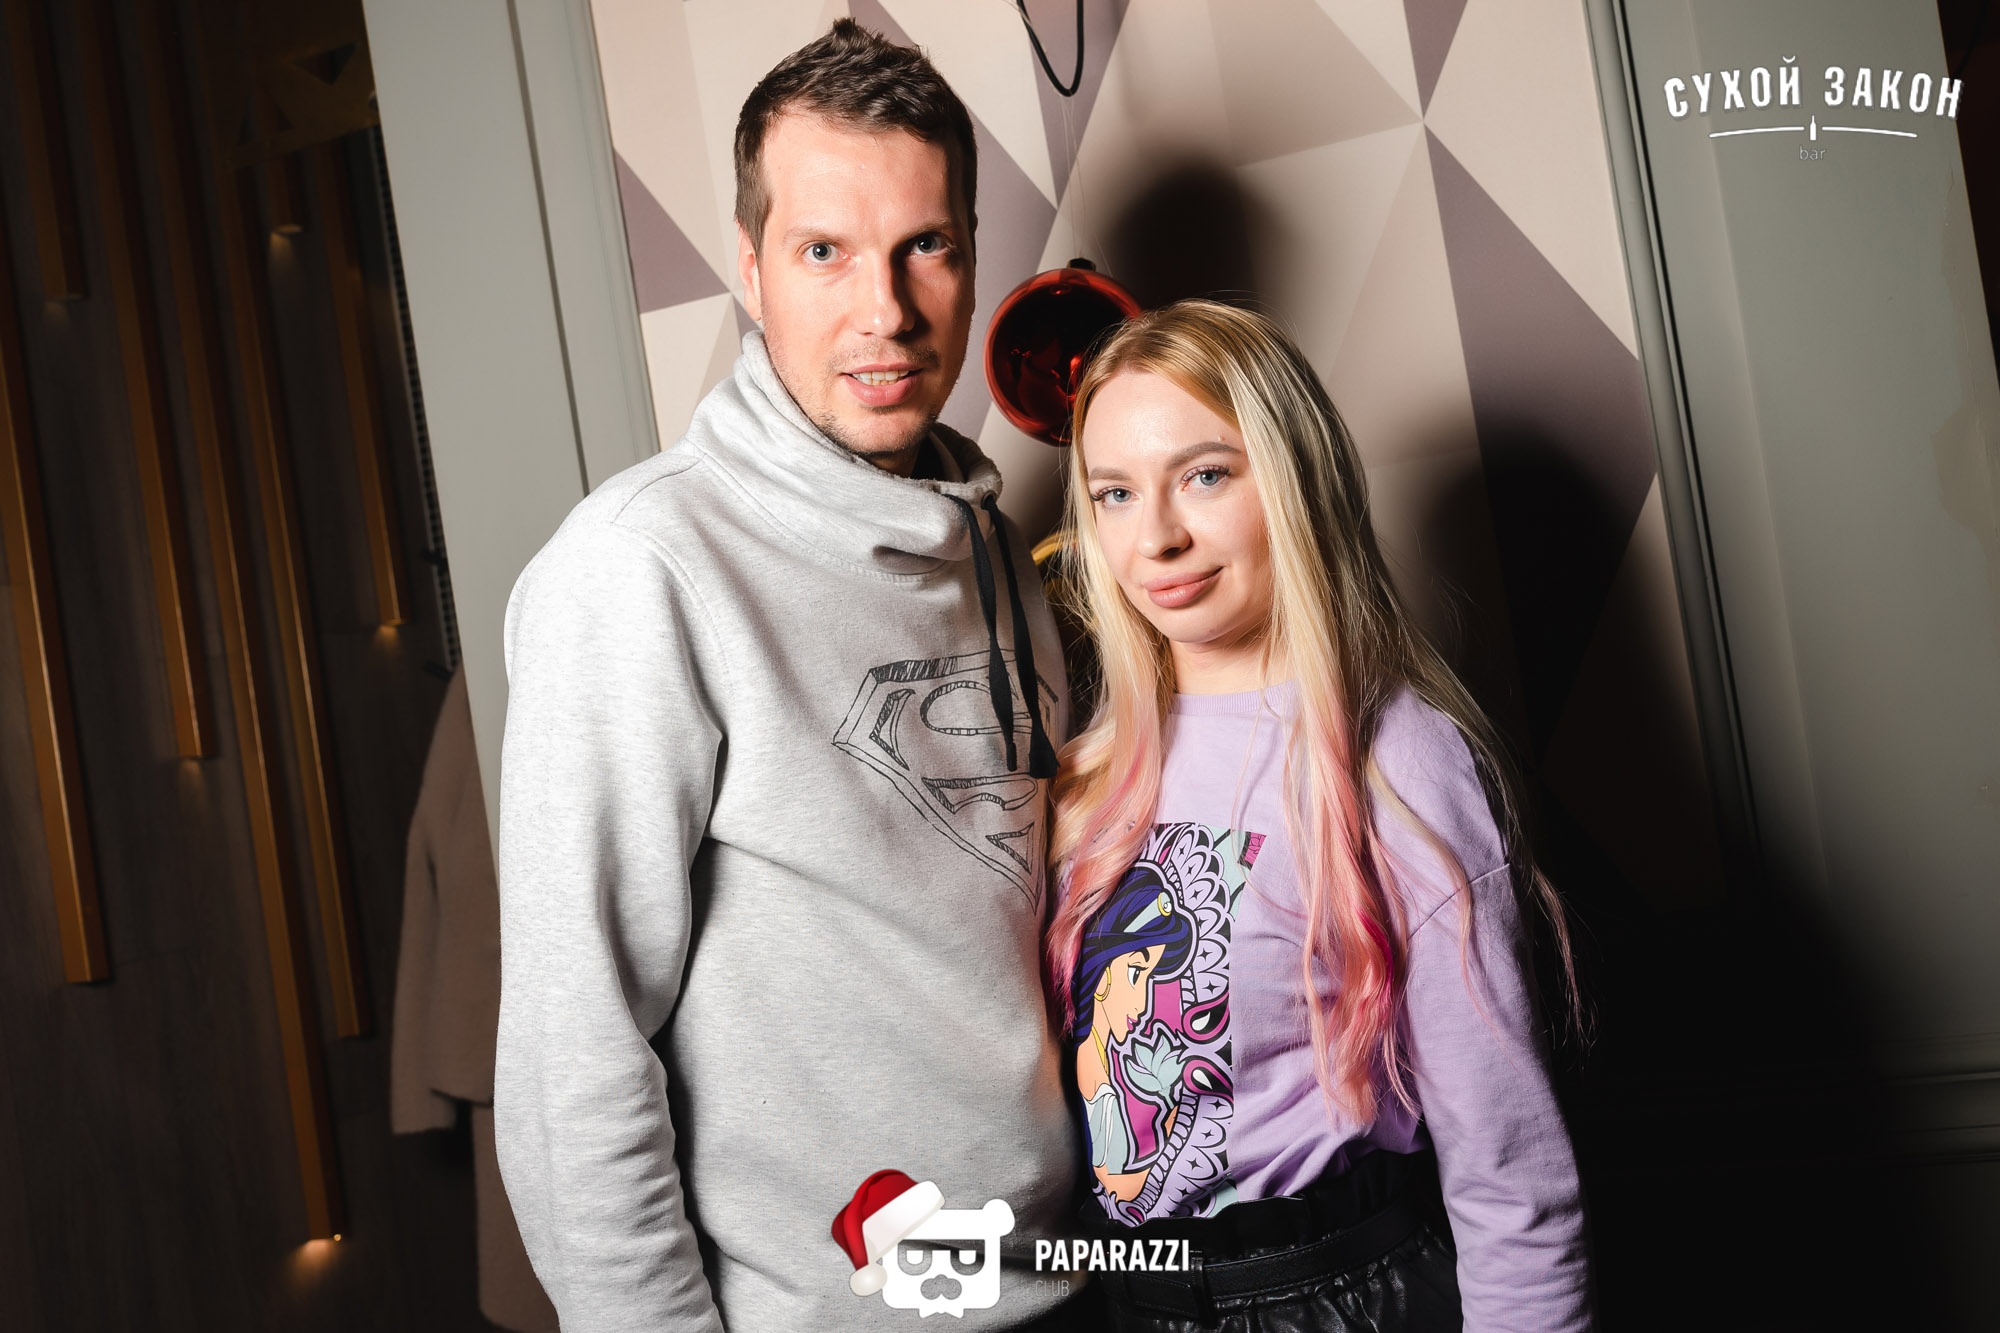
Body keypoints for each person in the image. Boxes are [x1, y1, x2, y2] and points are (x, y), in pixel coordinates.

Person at [494, 21, 1085, 1333]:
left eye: (924, 246)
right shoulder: (639, 568)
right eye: (825, 252)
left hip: (1064, 1286)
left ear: (972, 256)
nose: (885, 311)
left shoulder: (996, 550)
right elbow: (572, 1053)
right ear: (750, 268)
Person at [1045, 301, 1591, 1330]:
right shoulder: (1089, 769)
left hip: (1332, 1300)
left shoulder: (1398, 759)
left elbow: (1510, 1174)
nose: (1155, 536)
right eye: (1115, 493)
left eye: (1205, 475)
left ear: (1292, 479)